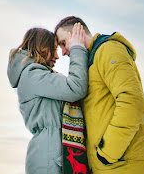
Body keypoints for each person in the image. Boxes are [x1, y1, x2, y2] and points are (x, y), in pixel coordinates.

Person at [54, 17, 144, 173]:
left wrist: (107, 153)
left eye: (63, 43)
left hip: (126, 166)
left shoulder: (108, 49)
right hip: (109, 167)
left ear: (77, 32)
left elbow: (132, 103)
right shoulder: (89, 64)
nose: (63, 52)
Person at [7, 24, 90, 174]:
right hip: (48, 158)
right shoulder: (33, 76)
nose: (57, 56)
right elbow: (75, 87)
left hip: (49, 153)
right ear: (42, 47)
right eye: (53, 50)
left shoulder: (36, 76)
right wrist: (77, 49)